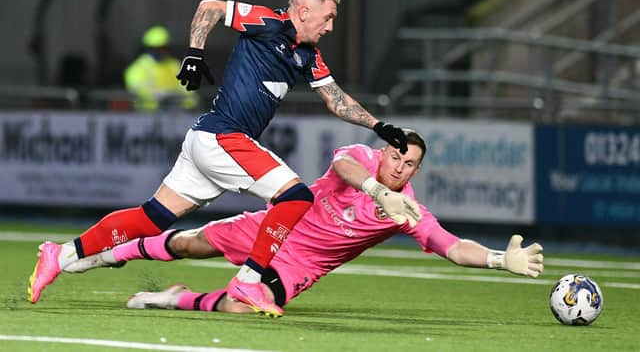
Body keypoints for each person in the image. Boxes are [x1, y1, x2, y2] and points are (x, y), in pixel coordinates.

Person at [28, 0, 416, 316]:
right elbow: (209, 8)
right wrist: (194, 55)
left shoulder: (307, 55)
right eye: (328, 17)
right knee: (297, 197)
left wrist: (380, 126)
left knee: (152, 219)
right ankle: (249, 280)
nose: (331, 26)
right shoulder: (268, 22)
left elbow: (336, 99)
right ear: (302, 11)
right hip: (223, 137)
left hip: (208, 138)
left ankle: (60, 255)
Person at [61, 130, 544, 317]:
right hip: (275, 227)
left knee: (239, 310)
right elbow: (344, 169)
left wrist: (502, 259)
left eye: (410, 163)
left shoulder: (408, 210)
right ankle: (108, 254)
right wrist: (378, 191)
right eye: (396, 155)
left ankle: (169, 299)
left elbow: (451, 246)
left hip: (300, 266)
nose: (399, 166)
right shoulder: (363, 158)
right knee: (192, 243)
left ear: (417, 171)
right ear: (385, 151)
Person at [123, 25, 198, 111]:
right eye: (158, 48)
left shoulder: (174, 65)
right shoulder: (137, 68)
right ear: (150, 48)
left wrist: (184, 102)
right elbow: (138, 90)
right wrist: (161, 98)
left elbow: (188, 90)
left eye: (164, 47)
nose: (162, 51)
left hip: (176, 112)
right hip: (147, 115)